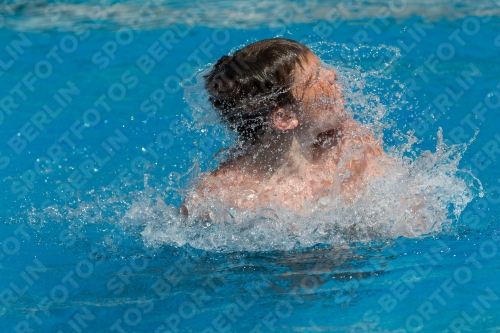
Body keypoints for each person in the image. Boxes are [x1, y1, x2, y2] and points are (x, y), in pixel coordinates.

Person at [182, 38, 390, 217]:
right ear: (284, 117)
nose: (332, 74)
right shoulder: (222, 195)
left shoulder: (350, 145)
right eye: (315, 77)